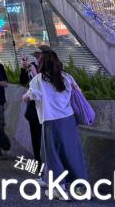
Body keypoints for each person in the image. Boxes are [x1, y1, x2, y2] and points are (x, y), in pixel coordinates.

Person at [22, 51, 88, 184]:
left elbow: (31, 96)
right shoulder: (66, 76)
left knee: (53, 155)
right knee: (73, 153)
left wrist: (24, 96)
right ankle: (81, 185)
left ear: (42, 64)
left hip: (51, 121)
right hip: (69, 119)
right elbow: (78, 92)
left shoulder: (39, 79)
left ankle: (58, 187)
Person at [19, 45, 50, 166]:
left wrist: (36, 73)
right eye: (36, 55)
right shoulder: (32, 65)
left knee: (48, 138)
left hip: (48, 109)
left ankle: (49, 162)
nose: (37, 58)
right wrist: (23, 69)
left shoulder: (52, 68)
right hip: (34, 109)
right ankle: (38, 161)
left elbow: (45, 86)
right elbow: (22, 81)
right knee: (35, 136)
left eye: (39, 55)